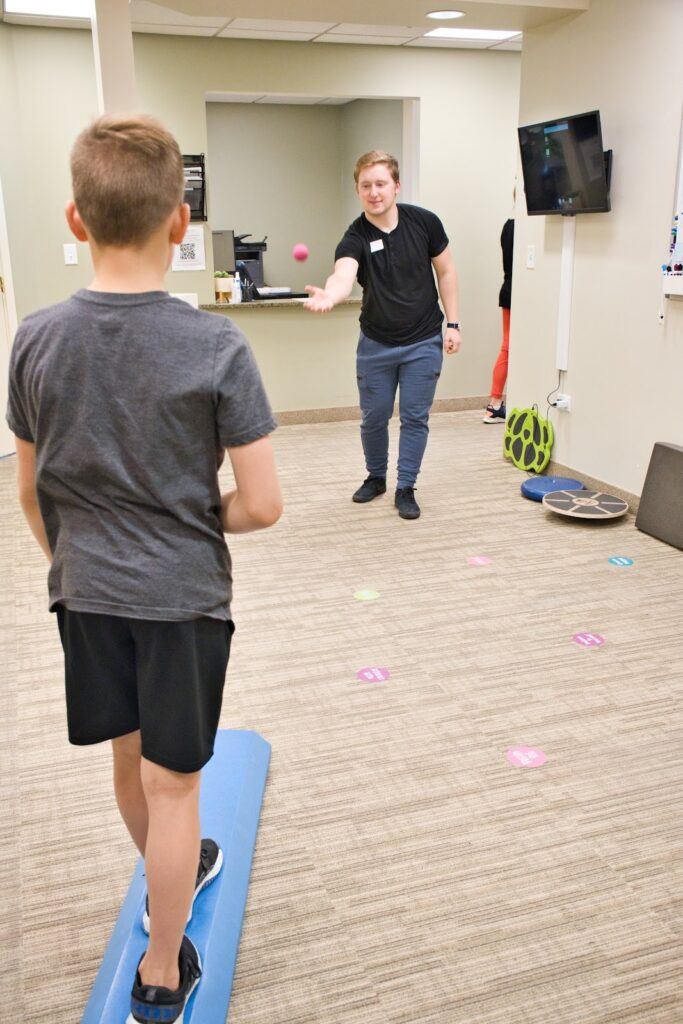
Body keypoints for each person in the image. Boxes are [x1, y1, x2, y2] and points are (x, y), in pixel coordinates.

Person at [6, 115, 282, 1024]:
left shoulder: (34, 341)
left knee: (132, 766)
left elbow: (31, 495)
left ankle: (176, 872)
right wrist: (190, 519)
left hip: (84, 594)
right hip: (181, 599)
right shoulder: (216, 348)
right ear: (181, 222)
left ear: (76, 219)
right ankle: (163, 968)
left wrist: (80, 560)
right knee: (177, 792)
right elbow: (262, 503)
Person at [304, 150, 461, 520]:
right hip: (376, 343)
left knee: (414, 417)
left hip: (424, 339)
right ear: (357, 190)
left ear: (396, 186)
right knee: (373, 417)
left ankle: (406, 486)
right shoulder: (355, 236)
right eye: (365, 186)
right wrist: (332, 293)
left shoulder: (425, 223)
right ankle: (376, 477)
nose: (374, 192)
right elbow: (344, 273)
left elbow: (447, 272)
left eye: (380, 184)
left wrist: (453, 324)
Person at [483, 216, 514, 423]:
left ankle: (494, 406)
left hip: (507, 290)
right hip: (516, 291)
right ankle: (494, 406)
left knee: (507, 347)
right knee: (509, 347)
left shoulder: (508, 225)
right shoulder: (522, 227)